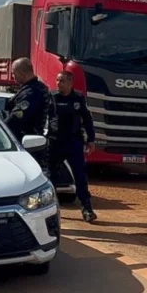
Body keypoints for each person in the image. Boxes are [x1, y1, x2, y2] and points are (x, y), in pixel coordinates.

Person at [49, 70, 97, 222]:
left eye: (62, 81)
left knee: (80, 176)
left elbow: (87, 120)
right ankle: (49, 210)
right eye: (57, 80)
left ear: (70, 83)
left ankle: (87, 208)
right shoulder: (52, 97)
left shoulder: (78, 98)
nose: (59, 83)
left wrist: (91, 139)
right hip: (55, 141)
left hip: (74, 142)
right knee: (50, 176)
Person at [4, 58, 55, 171]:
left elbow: (15, 119)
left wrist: (0, 131)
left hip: (25, 144)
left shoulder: (31, 93)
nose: (13, 77)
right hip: (30, 142)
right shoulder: (38, 88)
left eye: (14, 73)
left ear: (21, 74)